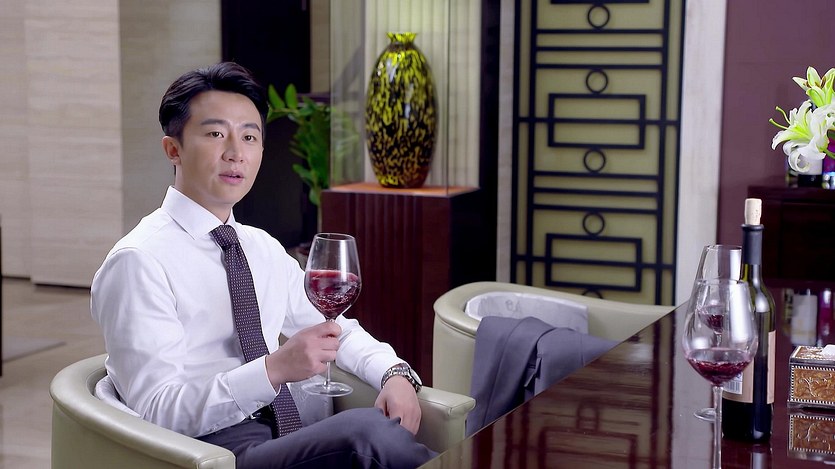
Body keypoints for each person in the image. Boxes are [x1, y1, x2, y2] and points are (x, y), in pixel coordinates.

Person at [91, 61, 435, 468]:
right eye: (216, 134)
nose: (235, 153)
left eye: (249, 137)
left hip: (284, 434)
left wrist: (394, 373)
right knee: (365, 434)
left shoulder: (262, 248)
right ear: (173, 149)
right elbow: (157, 411)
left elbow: (334, 329)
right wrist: (272, 370)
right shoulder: (139, 261)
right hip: (210, 453)